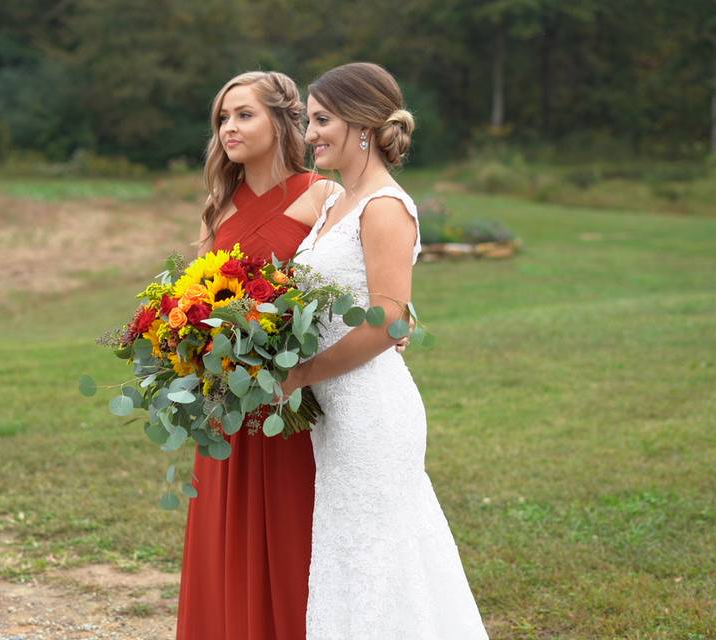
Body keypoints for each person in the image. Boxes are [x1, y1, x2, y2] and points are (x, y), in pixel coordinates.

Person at [283, 62, 490, 638]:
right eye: (308, 121)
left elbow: (387, 318)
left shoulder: (384, 206)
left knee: (379, 555)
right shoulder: (333, 204)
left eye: (321, 120)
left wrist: (301, 373)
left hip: (371, 409)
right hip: (337, 410)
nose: (310, 135)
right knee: (350, 552)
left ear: (363, 124)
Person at [176, 70, 339, 640]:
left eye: (244, 114)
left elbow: (350, 286)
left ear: (282, 119)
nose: (229, 128)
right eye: (223, 117)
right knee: (226, 535)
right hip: (227, 398)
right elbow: (191, 299)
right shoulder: (217, 209)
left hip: (291, 397)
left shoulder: (321, 196)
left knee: (291, 530)